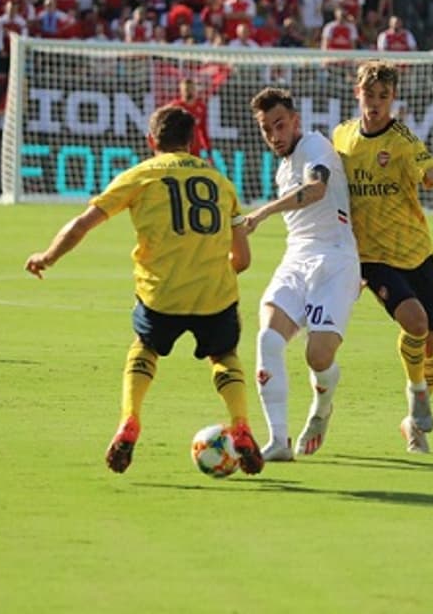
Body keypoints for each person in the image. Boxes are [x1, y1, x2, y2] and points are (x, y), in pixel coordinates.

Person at [23, 104, 264, 476]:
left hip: (161, 294)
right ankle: (242, 424)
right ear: (192, 141)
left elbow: (82, 225)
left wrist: (48, 256)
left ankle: (129, 420)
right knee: (224, 354)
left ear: (151, 140)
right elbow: (243, 259)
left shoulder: (140, 176)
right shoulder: (220, 181)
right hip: (215, 295)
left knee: (146, 348)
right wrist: (210, 271)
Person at [332, 60, 433, 453]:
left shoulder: (402, 141)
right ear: (358, 94)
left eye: (383, 97)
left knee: (430, 343)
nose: (375, 103)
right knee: (415, 321)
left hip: (417, 250)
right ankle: (416, 392)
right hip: (372, 256)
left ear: (393, 99)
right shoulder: (341, 138)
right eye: (369, 95)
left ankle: (412, 424)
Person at [239, 87, 360, 461]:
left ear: (295, 121)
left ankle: (323, 404)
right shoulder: (281, 169)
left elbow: (317, 188)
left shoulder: (314, 146)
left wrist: (262, 212)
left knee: (318, 357)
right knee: (268, 339)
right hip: (296, 258)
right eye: (266, 129)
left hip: (335, 258)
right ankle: (277, 441)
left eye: (279, 125)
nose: (274, 135)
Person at [168, 78, 211, 158]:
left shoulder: (201, 107)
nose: (189, 92)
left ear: (195, 90)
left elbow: (203, 129)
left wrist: (207, 147)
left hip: (195, 147)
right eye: (186, 89)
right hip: (179, 147)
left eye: (191, 89)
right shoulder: (175, 107)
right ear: (181, 91)